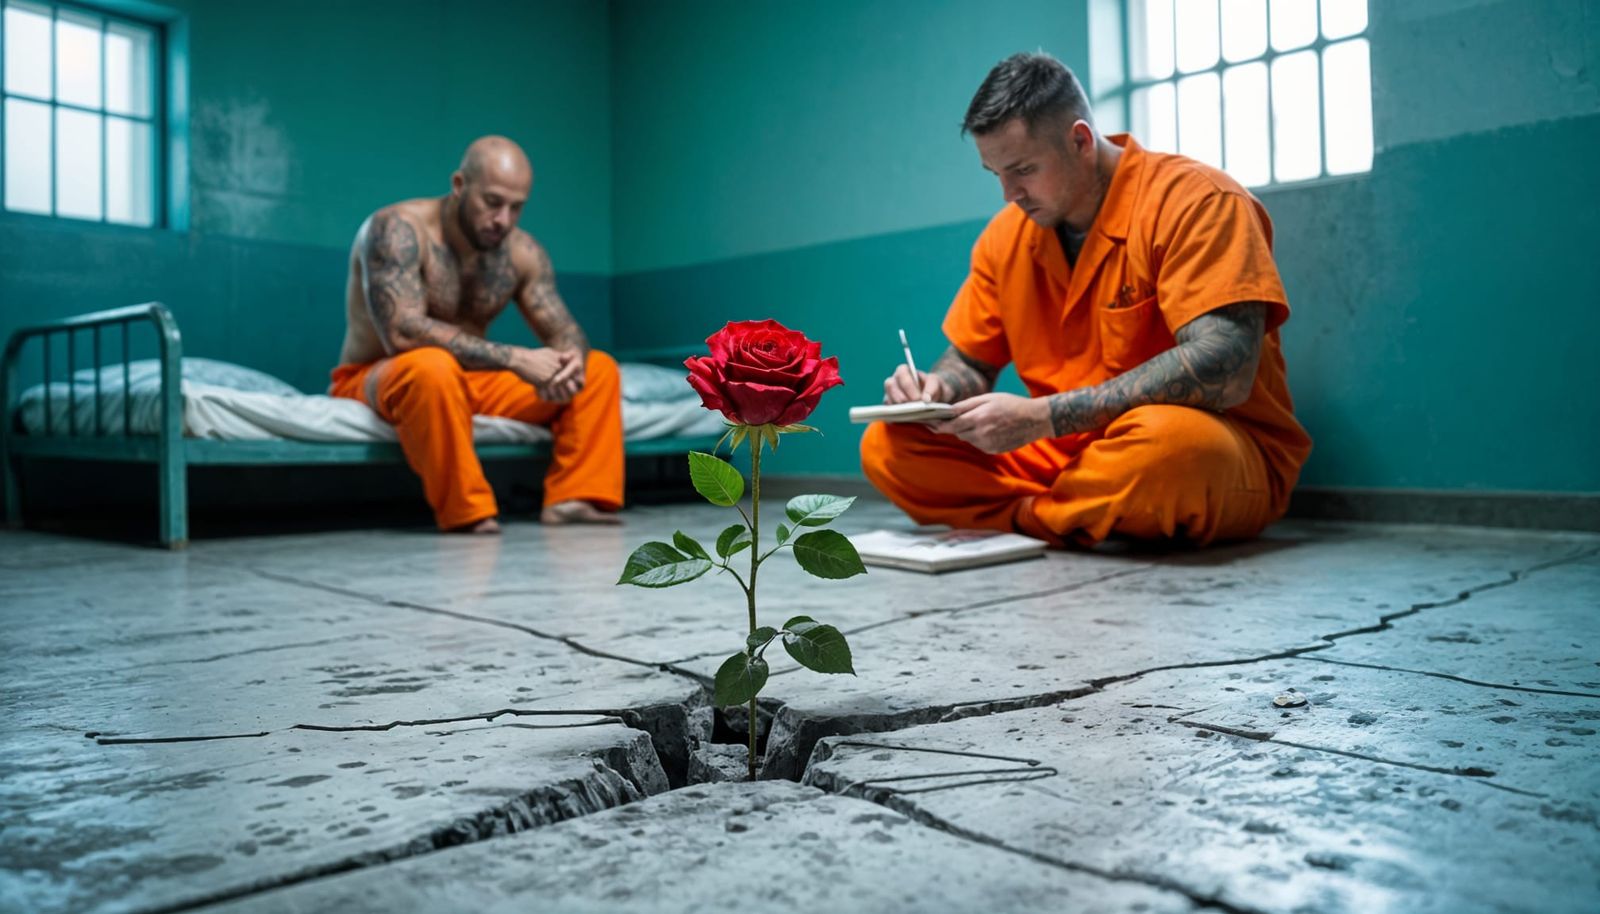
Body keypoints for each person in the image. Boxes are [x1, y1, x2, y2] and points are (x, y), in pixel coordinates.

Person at [861, 52, 1311, 548]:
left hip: (1204, 451)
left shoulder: (1199, 201)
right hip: (1063, 457)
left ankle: (1027, 520)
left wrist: (1044, 416)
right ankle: (1073, 516)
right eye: (996, 175)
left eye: (1024, 170)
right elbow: (970, 363)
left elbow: (1227, 368)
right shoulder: (1004, 238)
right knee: (888, 445)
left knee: (1171, 447)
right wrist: (935, 390)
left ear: (1079, 140)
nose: (1010, 193)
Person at [331, 135, 623, 533]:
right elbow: (402, 332)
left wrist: (568, 360)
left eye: (516, 207)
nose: (503, 219)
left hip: (468, 381)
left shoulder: (521, 253)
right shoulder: (396, 229)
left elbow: (565, 330)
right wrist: (519, 359)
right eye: (492, 202)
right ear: (459, 185)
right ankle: (468, 511)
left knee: (599, 368)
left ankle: (573, 497)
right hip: (379, 374)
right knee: (432, 367)